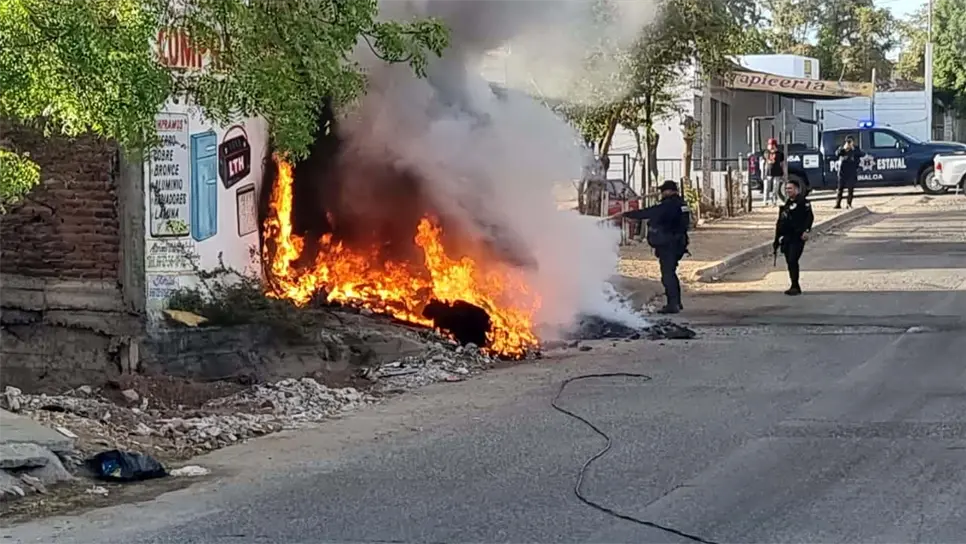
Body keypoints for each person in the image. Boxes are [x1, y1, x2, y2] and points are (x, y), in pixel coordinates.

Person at [622, 180, 691, 313]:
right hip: (677, 244)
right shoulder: (681, 204)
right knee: (671, 273)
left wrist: (628, 215)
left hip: (669, 245)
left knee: (667, 275)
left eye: (663, 191)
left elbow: (649, 212)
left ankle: (673, 305)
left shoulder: (668, 205)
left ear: (670, 191)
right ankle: (676, 302)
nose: (661, 193)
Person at [772, 179, 814, 296]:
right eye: (786, 189)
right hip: (786, 237)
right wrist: (777, 239)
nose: (788, 191)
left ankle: (795, 285)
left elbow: (809, 217)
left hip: (798, 236)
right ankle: (794, 285)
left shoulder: (803, 203)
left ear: (797, 189)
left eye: (790, 188)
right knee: (789, 261)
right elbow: (781, 222)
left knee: (792, 259)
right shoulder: (787, 204)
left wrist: (806, 231)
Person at [835, 136, 864, 209]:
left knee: (850, 189)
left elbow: (861, 154)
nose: (849, 143)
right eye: (848, 141)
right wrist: (844, 149)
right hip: (842, 171)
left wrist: (853, 149)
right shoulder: (842, 148)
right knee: (840, 189)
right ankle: (838, 204)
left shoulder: (856, 149)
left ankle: (849, 203)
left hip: (852, 171)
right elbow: (837, 154)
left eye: (850, 141)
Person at [762, 138, 785, 206]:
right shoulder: (766, 152)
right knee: (767, 187)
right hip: (768, 172)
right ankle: (765, 200)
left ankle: (774, 200)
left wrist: (783, 172)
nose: (771, 146)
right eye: (769, 144)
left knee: (775, 187)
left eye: (772, 145)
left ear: (775, 145)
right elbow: (768, 160)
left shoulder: (780, 153)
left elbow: (782, 163)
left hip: (777, 172)